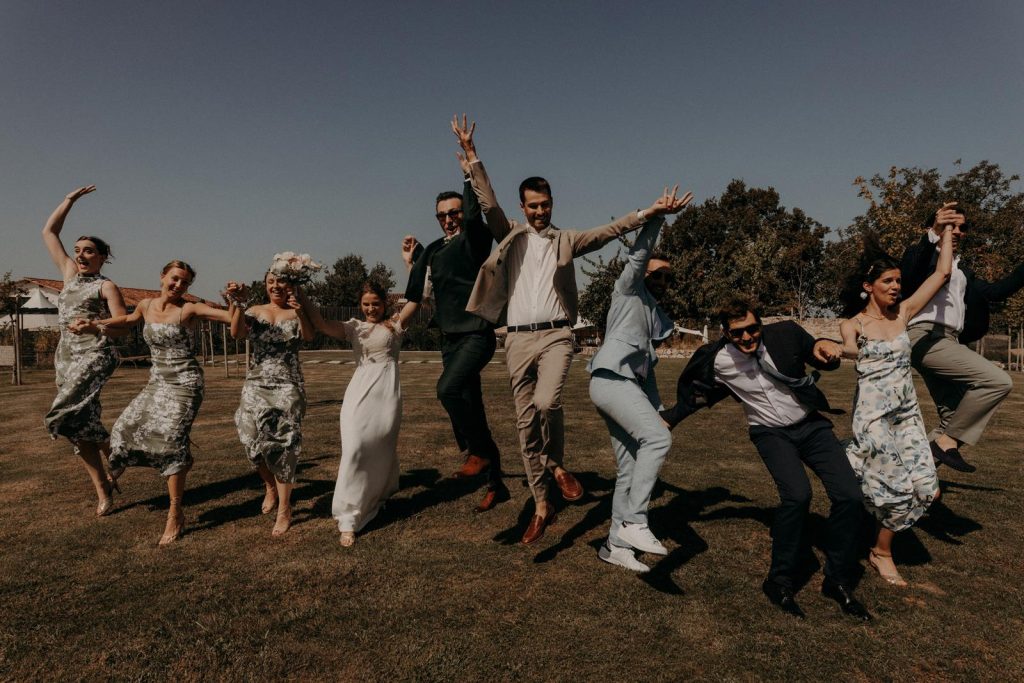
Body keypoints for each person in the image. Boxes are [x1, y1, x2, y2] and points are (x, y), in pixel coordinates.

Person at [453, 114, 688, 544]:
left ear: (552, 204)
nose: (540, 212)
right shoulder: (510, 235)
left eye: (546, 205)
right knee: (525, 426)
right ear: (523, 207)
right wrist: (471, 157)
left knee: (546, 402)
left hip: (557, 334)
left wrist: (649, 212)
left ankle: (557, 463)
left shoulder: (568, 240)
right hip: (517, 338)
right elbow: (488, 205)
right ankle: (542, 503)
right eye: (533, 206)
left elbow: (611, 230)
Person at [660, 300, 870, 621]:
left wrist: (824, 351)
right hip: (770, 434)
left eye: (752, 329)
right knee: (798, 496)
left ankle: (838, 578)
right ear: (726, 334)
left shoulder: (784, 333)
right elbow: (701, 393)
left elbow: (817, 352)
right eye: (737, 333)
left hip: (811, 426)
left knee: (850, 496)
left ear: (760, 324)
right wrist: (670, 419)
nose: (747, 337)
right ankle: (779, 581)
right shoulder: (718, 360)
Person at [838, 225, 953, 586]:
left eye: (899, 281)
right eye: (888, 281)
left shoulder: (904, 314)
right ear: (869, 286)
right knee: (899, 489)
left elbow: (942, 273)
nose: (896, 286)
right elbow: (849, 348)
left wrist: (946, 233)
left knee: (928, 488)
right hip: (873, 417)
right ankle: (881, 552)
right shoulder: (853, 323)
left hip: (906, 414)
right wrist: (842, 349)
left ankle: (853, 480)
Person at [587, 194, 692, 572]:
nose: (662, 280)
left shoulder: (657, 317)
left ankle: (615, 545)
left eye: (668, 276)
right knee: (659, 440)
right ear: (643, 273)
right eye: (656, 273)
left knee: (629, 469)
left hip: (626, 386)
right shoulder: (628, 291)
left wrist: (659, 410)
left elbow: (647, 371)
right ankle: (635, 521)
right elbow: (639, 251)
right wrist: (658, 217)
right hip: (610, 381)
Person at [398, 152, 507, 513]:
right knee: (473, 408)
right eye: (442, 214)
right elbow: (418, 293)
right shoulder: (432, 249)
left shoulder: (473, 240)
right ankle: (496, 482)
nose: (448, 219)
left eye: (454, 212)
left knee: (447, 389)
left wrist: (468, 176)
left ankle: (476, 453)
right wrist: (412, 263)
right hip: (449, 337)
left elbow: (477, 217)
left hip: (476, 333)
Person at [93, 261, 232, 544]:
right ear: (162, 277)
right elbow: (128, 321)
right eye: (175, 279)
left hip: (185, 384)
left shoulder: (188, 309)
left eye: (185, 283)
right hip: (157, 382)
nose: (179, 286)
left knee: (170, 442)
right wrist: (96, 324)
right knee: (123, 428)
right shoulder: (145, 305)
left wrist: (238, 304)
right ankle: (123, 463)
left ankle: (175, 513)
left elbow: (227, 318)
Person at [900, 202, 1023, 472]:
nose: (957, 231)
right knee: (996, 381)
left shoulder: (962, 270)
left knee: (955, 419)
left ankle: (908, 475)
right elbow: (909, 274)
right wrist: (934, 233)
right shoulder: (923, 256)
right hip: (926, 337)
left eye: (961, 227)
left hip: (949, 342)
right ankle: (943, 444)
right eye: (950, 225)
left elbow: (994, 292)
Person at [298, 281, 416, 547]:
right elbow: (319, 322)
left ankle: (377, 497)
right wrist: (301, 292)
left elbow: (417, 300)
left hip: (386, 396)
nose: (371, 308)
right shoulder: (353, 327)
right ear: (359, 305)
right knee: (354, 449)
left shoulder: (394, 325)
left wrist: (412, 265)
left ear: (384, 303)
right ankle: (348, 517)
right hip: (358, 394)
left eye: (376, 303)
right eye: (366, 304)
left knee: (380, 449)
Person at [41, 185, 128, 516]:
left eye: (89, 250)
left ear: (102, 256)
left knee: (62, 412)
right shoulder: (68, 276)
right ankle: (104, 488)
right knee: (81, 428)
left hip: (96, 354)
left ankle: (117, 454)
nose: (80, 254)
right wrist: (69, 200)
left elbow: (123, 325)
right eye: (77, 250)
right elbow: (49, 231)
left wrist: (95, 326)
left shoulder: (105, 286)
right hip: (66, 355)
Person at [226, 270, 314, 537]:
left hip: (287, 384)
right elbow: (236, 333)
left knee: (284, 443)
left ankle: (285, 508)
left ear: (291, 284)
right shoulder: (255, 310)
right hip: (256, 382)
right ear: (265, 285)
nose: (276, 286)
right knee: (249, 438)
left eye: (281, 281)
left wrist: (300, 313)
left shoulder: (297, 311)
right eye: (270, 282)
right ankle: (270, 486)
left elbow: (309, 338)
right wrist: (239, 304)